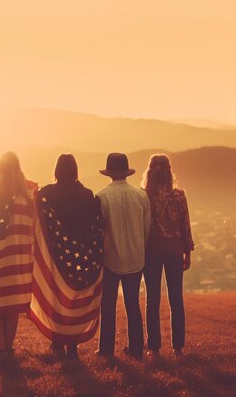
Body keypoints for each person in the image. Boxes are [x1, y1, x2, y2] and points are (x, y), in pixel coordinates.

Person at [38, 154, 102, 359]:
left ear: (56, 170)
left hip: (56, 255)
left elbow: (37, 210)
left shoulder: (47, 194)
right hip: (80, 256)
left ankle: (57, 341)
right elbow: (94, 224)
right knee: (75, 299)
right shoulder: (87, 194)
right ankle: (73, 344)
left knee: (57, 298)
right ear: (75, 170)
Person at [96, 153, 151, 360]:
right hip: (136, 258)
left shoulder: (102, 197)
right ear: (126, 172)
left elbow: (99, 231)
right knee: (133, 303)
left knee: (108, 305)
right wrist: (140, 249)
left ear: (109, 173)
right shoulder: (141, 196)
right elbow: (147, 230)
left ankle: (106, 349)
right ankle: (136, 349)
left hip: (110, 259)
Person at [0, 151, 34, 357]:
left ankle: (1, 347)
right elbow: (33, 224)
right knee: (12, 305)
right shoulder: (26, 192)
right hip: (17, 259)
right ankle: (9, 347)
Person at [141, 154, 194, 358]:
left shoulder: (145, 196)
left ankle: (154, 347)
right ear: (169, 171)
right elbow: (186, 227)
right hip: (174, 250)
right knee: (176, 299)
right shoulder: (179, 196)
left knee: (152, 300)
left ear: (150, 172)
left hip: (152, 251)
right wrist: (187, 254)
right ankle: (178, 347)